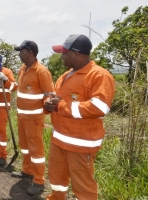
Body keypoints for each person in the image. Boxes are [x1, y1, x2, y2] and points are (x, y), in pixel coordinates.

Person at [45, 34, 115, 199]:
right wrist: (48, 104)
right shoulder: (65, 76)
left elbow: (99, 107)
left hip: (81, 145)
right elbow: (56, 98)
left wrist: (60, 106)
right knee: (57, 180)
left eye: (64, 53)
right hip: (59, 141)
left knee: (83, 188)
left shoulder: (99, 76)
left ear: (76, 54)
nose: (62, 57)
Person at [11, 40, 54, 196]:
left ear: (29, 52)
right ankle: (27, 171)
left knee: (36, 150)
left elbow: (49, 95)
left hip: (34, 119)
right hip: (22, 117)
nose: (19, 54)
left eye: (21, 51)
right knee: (24, 146)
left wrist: (48, 103)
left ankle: (39, 181)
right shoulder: (23, 69)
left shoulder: (41, 71)